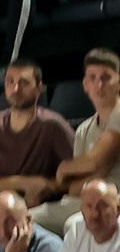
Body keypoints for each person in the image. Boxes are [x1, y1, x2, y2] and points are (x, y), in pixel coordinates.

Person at [0, 60, 75, 211]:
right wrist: (20, 183)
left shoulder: (54, 124)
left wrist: (45, 186)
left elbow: (75, 178)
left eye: (24, 83)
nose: (15, 88)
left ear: (39, 88)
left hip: (38, 208)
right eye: (10, 82)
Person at [47, 52, 120, 237]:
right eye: (93, 78)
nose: (99, 85)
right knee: (25, 218)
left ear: (118, 82)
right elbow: (74, 187)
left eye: (106, 78)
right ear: (85, 84)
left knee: (74, 225)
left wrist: (64, 168)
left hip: (114, 201)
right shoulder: (83, 129)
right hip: (82, 201)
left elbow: (95, 162)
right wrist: (78, 175)